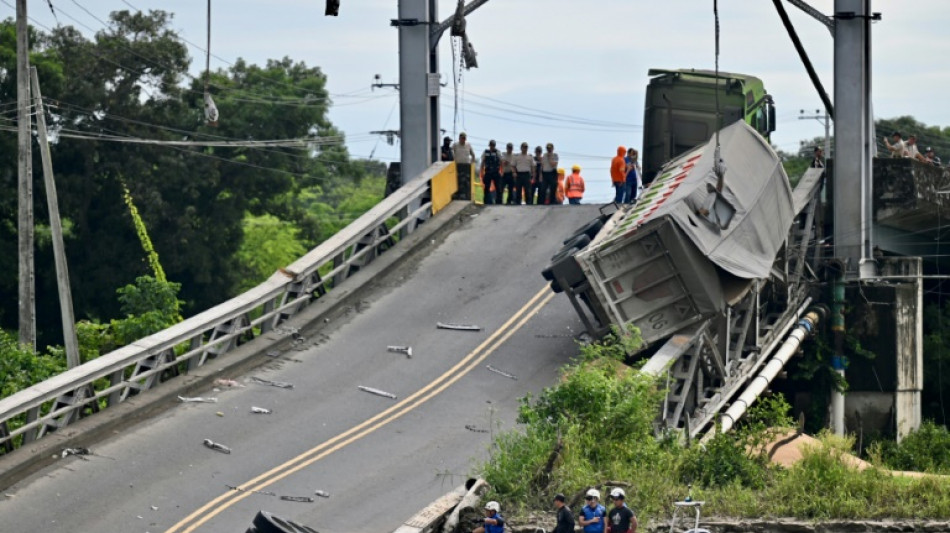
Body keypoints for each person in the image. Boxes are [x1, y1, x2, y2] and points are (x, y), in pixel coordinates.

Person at [452, 132, 477, 200]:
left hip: (466, 165)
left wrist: (472, 163)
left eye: (464, 138)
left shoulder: (468, 145)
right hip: (458, 165)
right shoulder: (455, 145)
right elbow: (451, 152)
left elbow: (473, 155)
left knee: (466, 182)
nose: (463, 140)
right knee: (458, 181)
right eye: (462, 138)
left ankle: (467, 196)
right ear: (459, 138)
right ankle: (458, 196)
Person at [481, 140, 503, 205]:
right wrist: (482, 171)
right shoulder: (485, 152)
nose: (492, 146)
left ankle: (499, 202)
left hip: (496, 172)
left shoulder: (497, 152)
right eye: (491, 145)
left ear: (495, 145)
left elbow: (501, 161)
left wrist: (502, 171)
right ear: (489, 145)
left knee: (498, 188)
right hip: (488, 172)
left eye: (493, 145)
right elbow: (482, 162)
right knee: (486, 188)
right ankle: (486, 202)